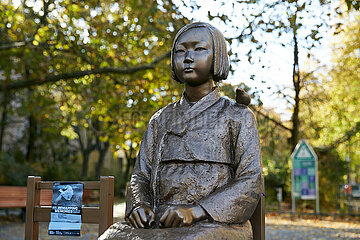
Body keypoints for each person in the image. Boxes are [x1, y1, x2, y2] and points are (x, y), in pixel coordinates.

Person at [101, 22, 262, 240]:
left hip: (216, 223)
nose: (188, 57)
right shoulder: (160, 119)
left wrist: (197, 210)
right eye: (180, 51)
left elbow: (251, 180)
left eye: (199, 49)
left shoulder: (237, 115)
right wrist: (139, 205)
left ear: (218, 57)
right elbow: (140, 175)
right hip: (161, 220)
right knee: (111, 237)